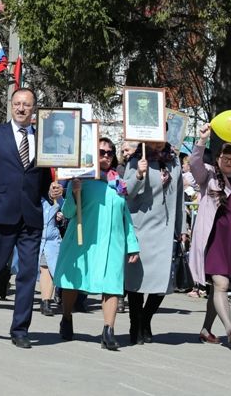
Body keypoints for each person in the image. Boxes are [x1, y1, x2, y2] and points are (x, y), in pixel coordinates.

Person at [0, 88, 63, 349]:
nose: (21, 109)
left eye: (27, 105)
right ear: (11, 106)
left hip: (31, 218)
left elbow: (42, 182)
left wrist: (52, 190)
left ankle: (20, 329)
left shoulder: (43, 140)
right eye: (18, 104)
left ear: (34, 110)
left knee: (28, 274)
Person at [56, 138, 139, 350]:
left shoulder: (117, 182)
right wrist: (73, 194)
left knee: (112, 284)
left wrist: (132, 244)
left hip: (112, 242)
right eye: (101, 152)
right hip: (83, 240)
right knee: (73, 282)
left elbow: (125, 216)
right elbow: (67, 213)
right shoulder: (81, 179)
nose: (106, 156)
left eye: (110, 153)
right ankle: (66, 317)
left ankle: (108, 331)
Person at [188, 125, 231, 349]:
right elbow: (194, 164)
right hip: (213, 240)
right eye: (225, 158)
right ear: (218, 159)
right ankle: (229, 328)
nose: (228, 162)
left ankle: (206, 330)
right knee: (221, 284)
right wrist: (202, 140)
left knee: (218, 289)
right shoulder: (207, 176)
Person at [123, 139, 184, 345]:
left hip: (164, 229)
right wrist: (139, 174)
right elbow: (126, 192)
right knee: (136, 280)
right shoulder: (135, 160)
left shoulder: (173, 161)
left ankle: (146, 318)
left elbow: (179, 196)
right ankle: (135, 323)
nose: (157, 144)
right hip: (140, 226)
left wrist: (181, 228)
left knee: (161, 283)